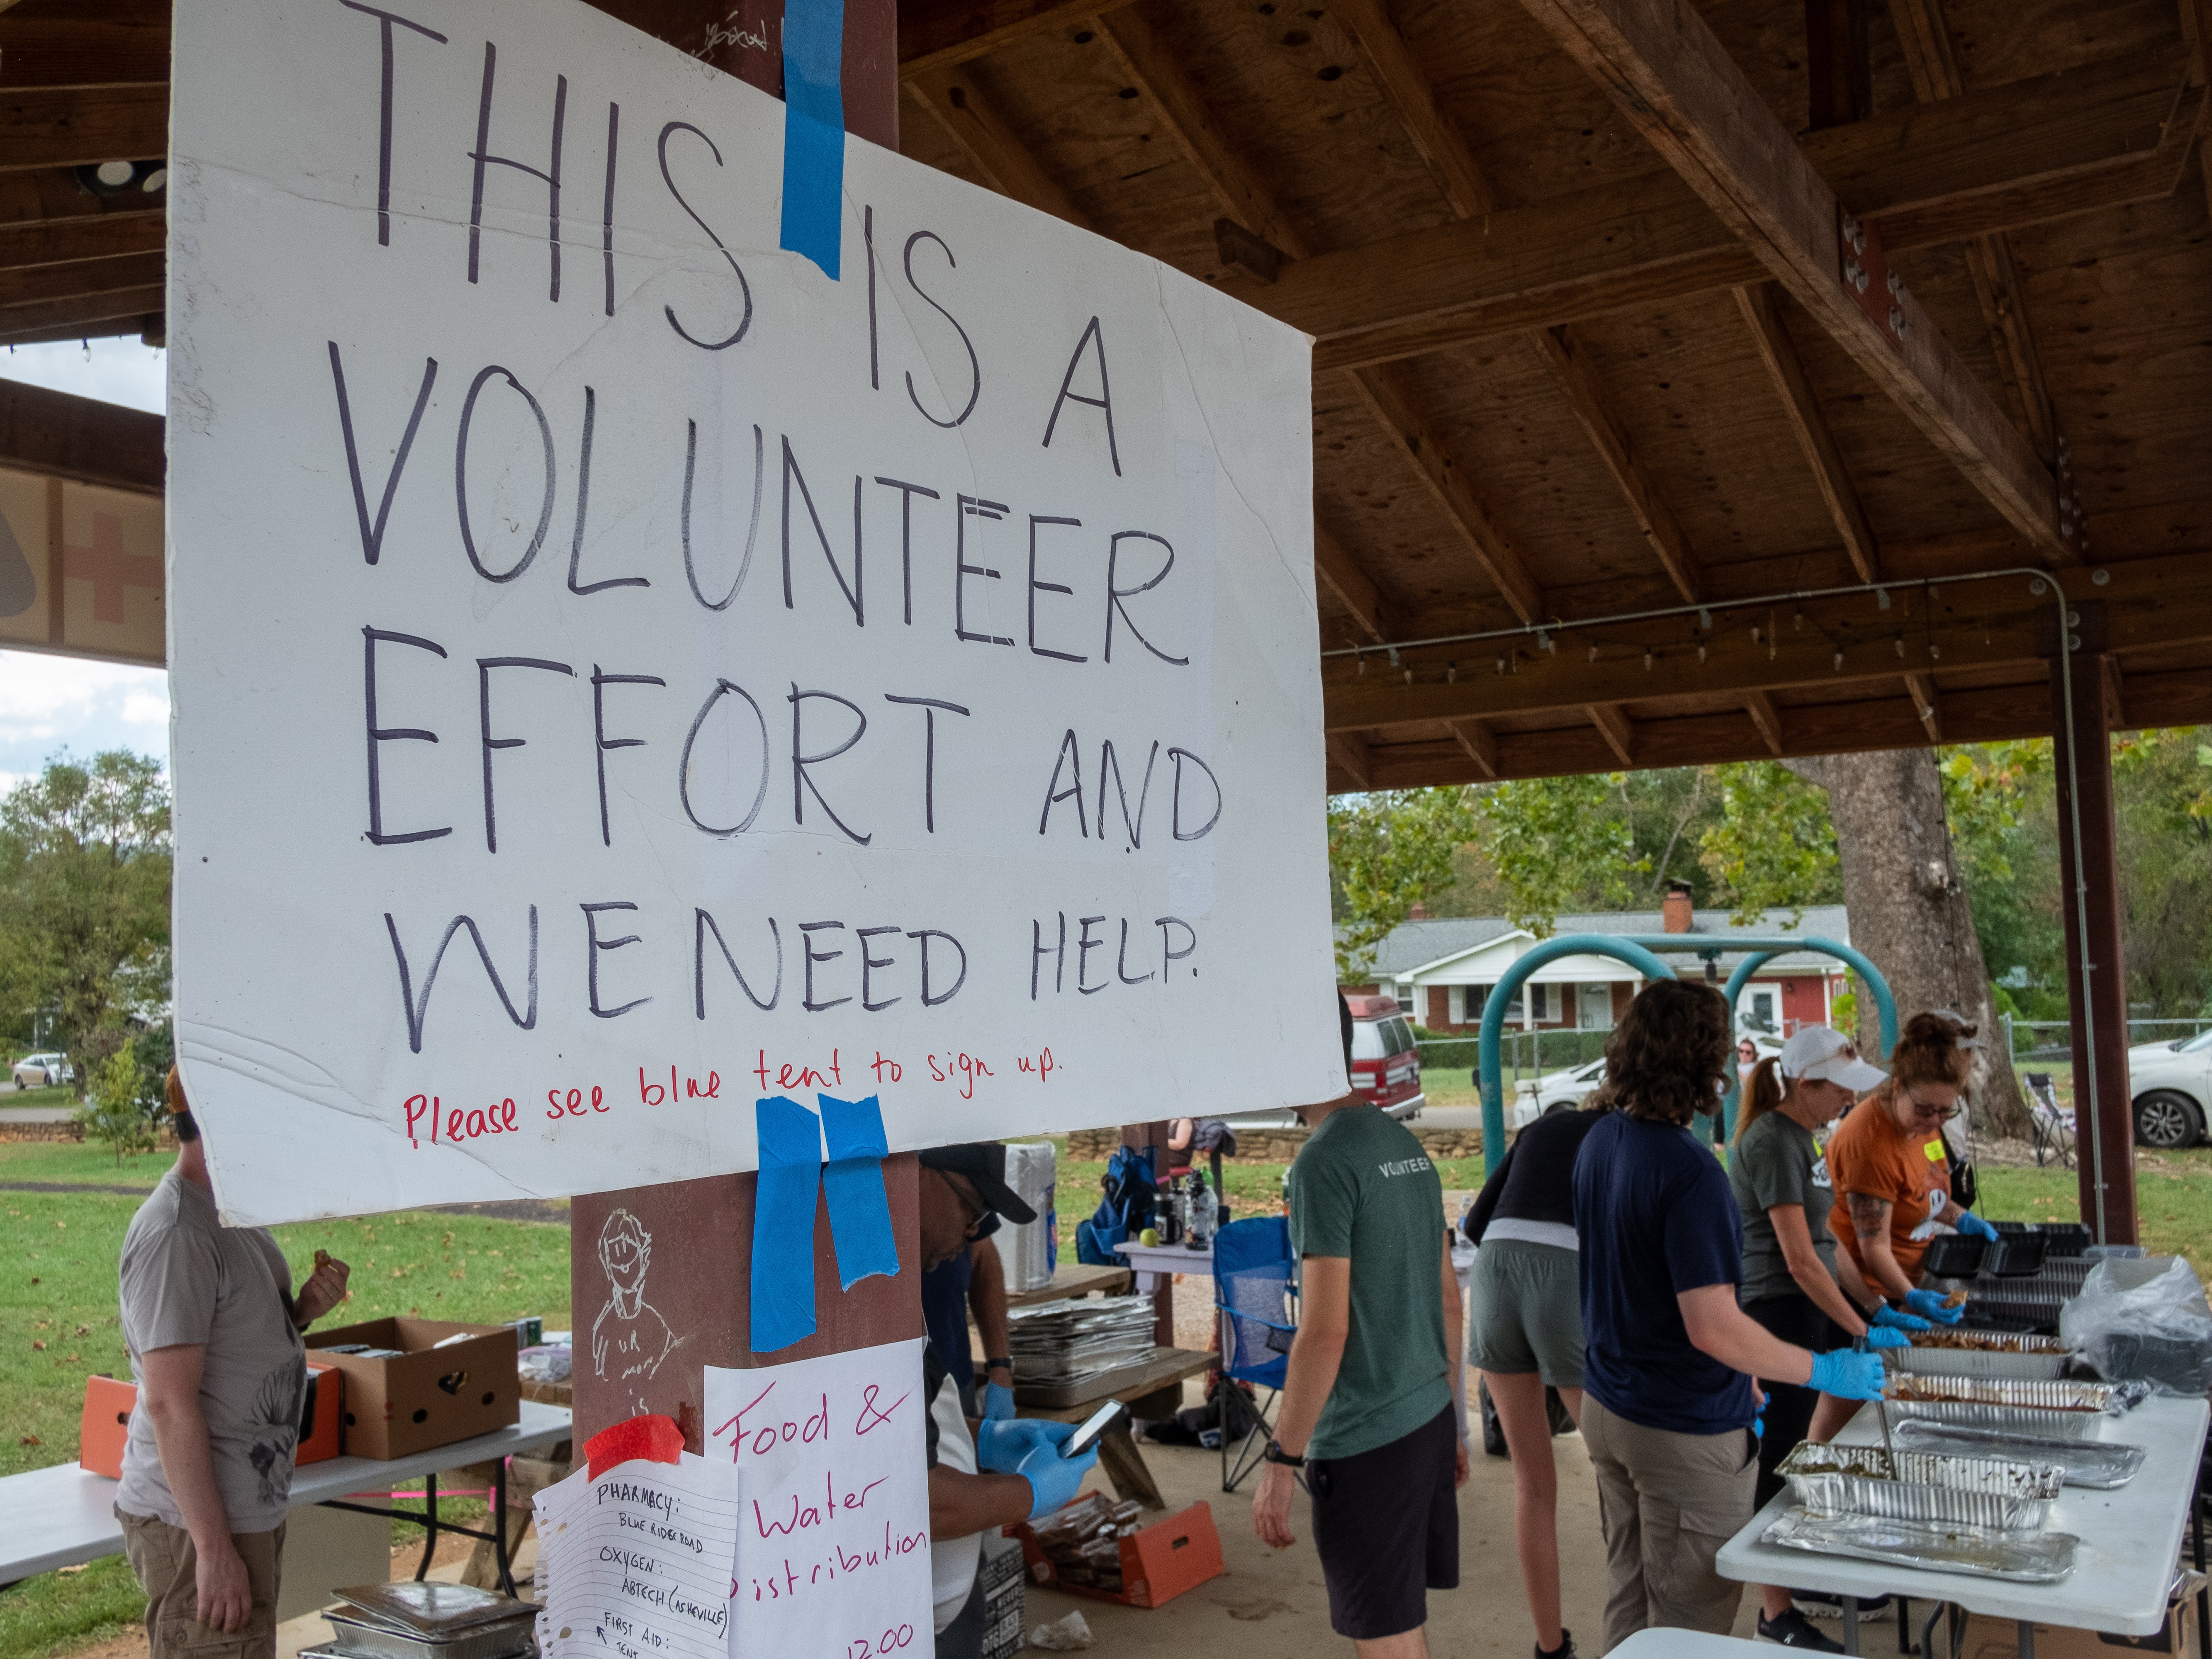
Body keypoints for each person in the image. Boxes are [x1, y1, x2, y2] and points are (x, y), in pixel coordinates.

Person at [1572, 980, 1887, 1648]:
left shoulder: (1601, 1139)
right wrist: (1822, 1367)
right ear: (1710, 1065)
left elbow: (1631, 1284)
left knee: (1630, 1603)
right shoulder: (1690, 1171)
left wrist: (1742, 1368)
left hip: (1609, 1406)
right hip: (1678, 1425)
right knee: (1692, 1626)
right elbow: (1712, 1325)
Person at [1253, 994, 1467, 1659]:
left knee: (1386, 1638)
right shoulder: (1400, 1142)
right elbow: (1448, 1300)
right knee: (1399, 1624)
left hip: (1368, 1439)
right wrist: (1453, 1422)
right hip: (1425, 1415)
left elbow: (1324, 1331)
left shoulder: (1322, 1163)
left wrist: (1282, 1459)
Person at [116, 1067, 351, 1659]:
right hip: (196, 1524)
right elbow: (169, 1402)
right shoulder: (177, 1232)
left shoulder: (232, 1214)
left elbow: (229, 1342)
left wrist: (298, 1313)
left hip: (245, 1505)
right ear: (214, 1118)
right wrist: (215, 1551)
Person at [1730, 1028, 1933, 1652]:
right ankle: (1773, 1612)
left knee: (1798, 1455)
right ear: (1805, 1083)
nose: (1849, 1100)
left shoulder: (1805, 1138)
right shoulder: (1770, 1141)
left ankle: (1795, 1581)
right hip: (1775, 1308)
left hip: (1806, 1305)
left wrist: (1875, 1305)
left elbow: (1829, 1243)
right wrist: (1857, 1326)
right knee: (1781, 1457)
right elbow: (1796, 1259)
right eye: (1839, 1089)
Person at [918, 1143, 1100, 1659]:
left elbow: (920, 1424)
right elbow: (918, 1499)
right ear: (917, 1177)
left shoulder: (905, 1289)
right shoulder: (862, 1314)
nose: (976, 1231)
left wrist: (984, 1435)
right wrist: (1028, 1491)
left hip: (942, 1608)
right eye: (971, 1209)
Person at [1461, 1097, 1609, 1659]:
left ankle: (1551, 1646)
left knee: (1532, 1483)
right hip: (1562, 1272)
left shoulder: (1543, 1128)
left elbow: (1477, 1223)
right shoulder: (1620, 1133)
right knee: (1616, 1471)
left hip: (1495, 1271)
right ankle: (1639, 1632)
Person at [1825, 1014, 1999, 1307]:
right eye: (1924, 1110)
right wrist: (1911, 1298)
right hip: (1868, 1296)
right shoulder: (1869, 1147)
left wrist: (1960, 1218)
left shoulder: (1921, 1126)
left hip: (1912, 1277)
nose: (1934, 1121)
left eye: (1944, 1111)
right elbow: (1874, 1249)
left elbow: (1922, 1192)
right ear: (1897, 1088)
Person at [920, 1221, 1015, 1419]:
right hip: (890, 1399)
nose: (972, 1231)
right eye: (966, 1208)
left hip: (956, 1381)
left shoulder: (970, 1216)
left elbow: (984, 1260)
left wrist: (1000, 1366)